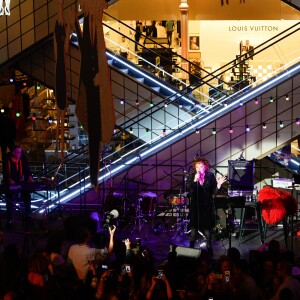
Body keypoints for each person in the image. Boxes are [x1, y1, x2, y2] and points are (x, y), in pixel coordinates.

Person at [187, 157, 227, 254]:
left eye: (201, 166)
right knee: (194, 228)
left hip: (207, 206)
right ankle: (190, 247)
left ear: (205, 167)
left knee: (206, 229)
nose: (199, 168)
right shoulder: (192, 177)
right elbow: (190, 192)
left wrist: (218, 185)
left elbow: (214, 192)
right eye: (197, 167)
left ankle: (209, 246)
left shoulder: (210, 176)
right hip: (195, 207)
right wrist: (195, 181)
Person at [2, 145, 34, 228]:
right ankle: (9, 221)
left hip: (20, 182)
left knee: (27, 197)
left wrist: (30, 177)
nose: (19, 154)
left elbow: (26, 169)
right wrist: (9, 179)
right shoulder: (7, 161)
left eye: (20, 152)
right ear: (13, 153)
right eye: (18, 152)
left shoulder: (22, 159)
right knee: (10, 200)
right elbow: (5, 172)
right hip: (10, 183)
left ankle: (29, 217)